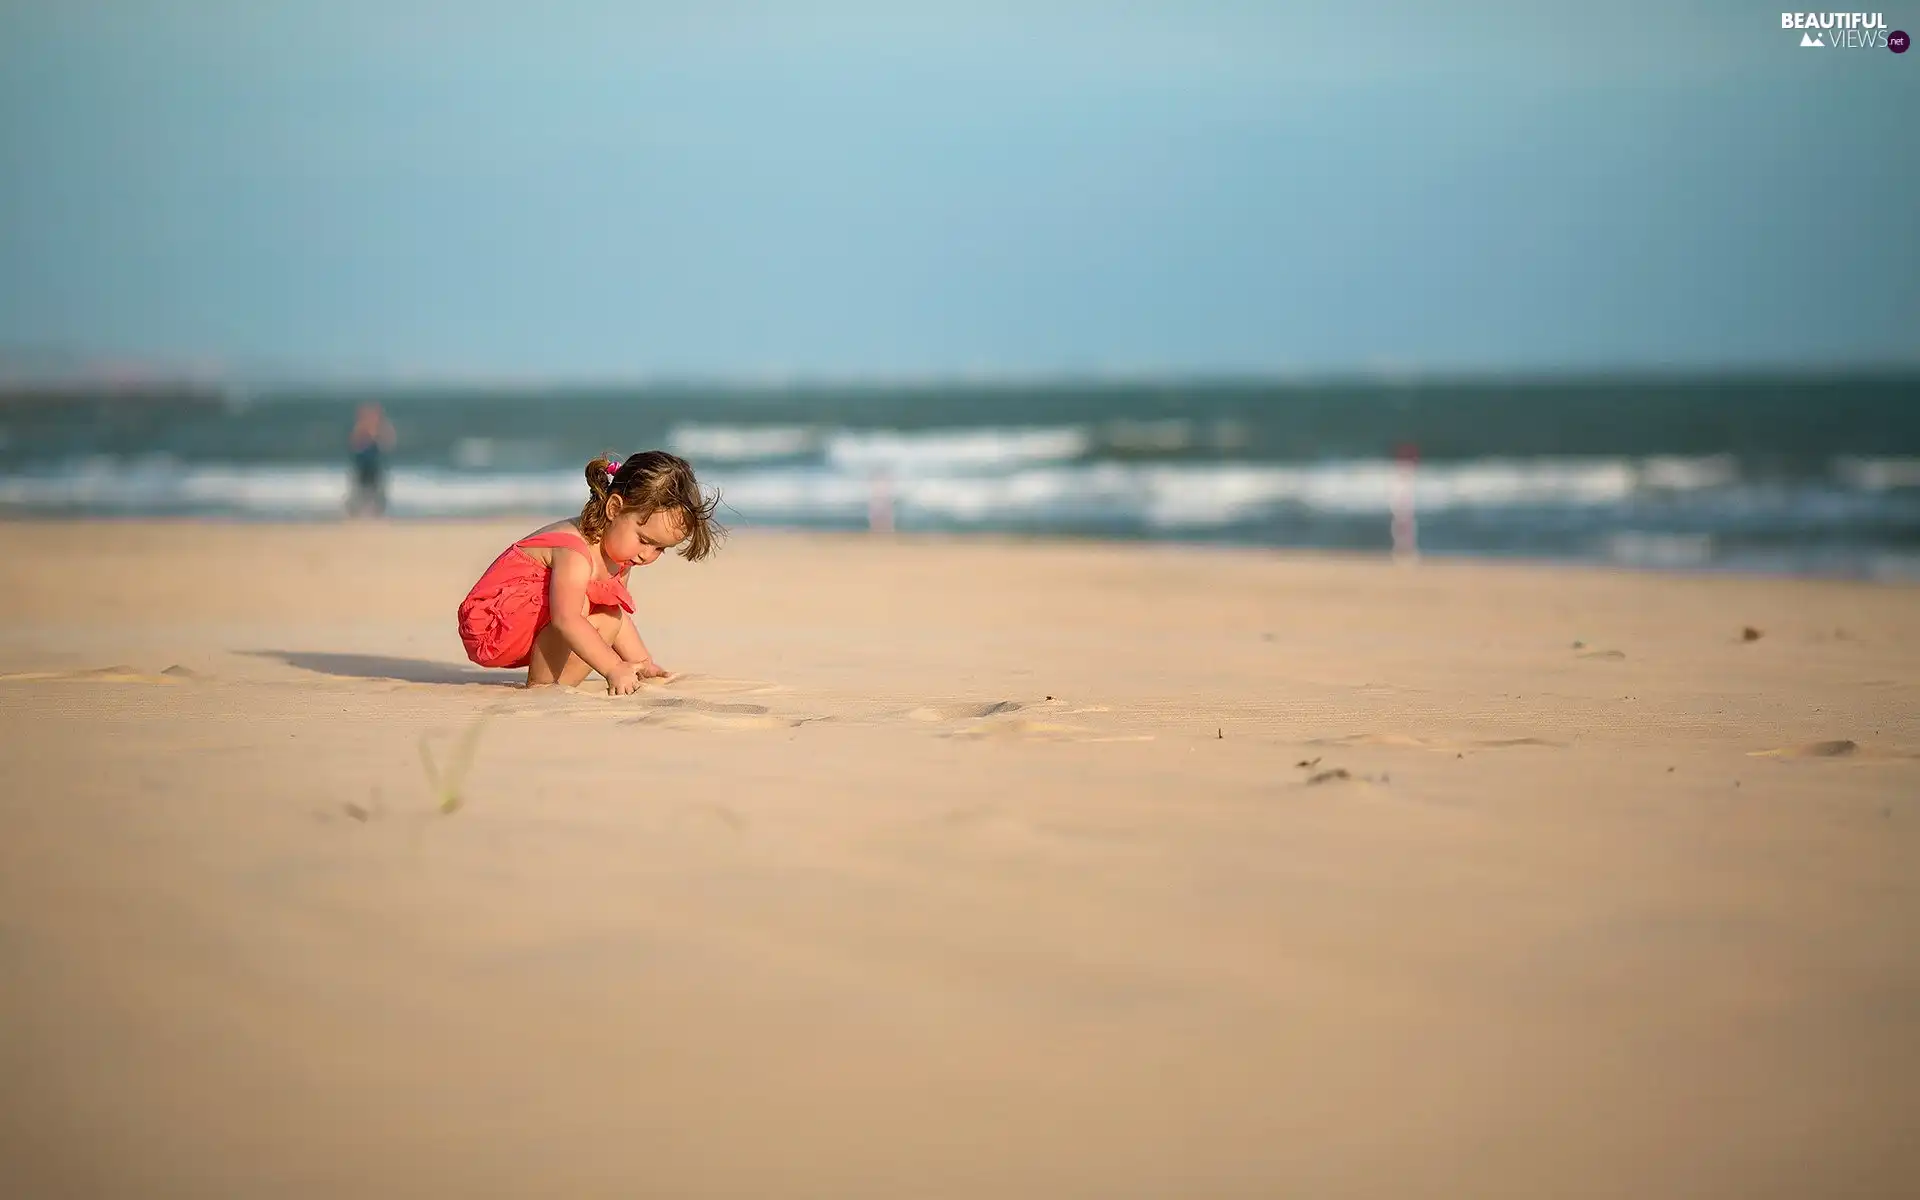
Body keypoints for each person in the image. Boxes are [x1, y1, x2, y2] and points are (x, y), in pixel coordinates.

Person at [457, 451, 722, 693]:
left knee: (608, 614)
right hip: (494, 623)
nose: (647, 554)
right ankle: (541, 687)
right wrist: (612, 668)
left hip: (531, 621)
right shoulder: (574, 551)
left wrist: (643, 664)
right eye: (644, 540)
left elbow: (616, 617)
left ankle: (561, 686)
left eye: (660, 548)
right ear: (614, 508)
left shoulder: (621, 555)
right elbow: (566, 619)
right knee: (578, 606)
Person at [347, 403, 397, 516]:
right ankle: (355, 511)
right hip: (364, 464)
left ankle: (377, 512)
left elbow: (388, 443)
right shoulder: (361, 428)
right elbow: (354, 445)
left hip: (373, 464)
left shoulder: (379, 428)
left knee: (376, 489)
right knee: (360, 489)